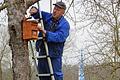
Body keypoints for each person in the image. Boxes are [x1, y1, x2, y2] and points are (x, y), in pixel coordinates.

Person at [29, 1, 70, 80]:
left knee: (56, 76)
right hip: (43, 51)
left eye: (58, 9)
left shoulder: (65, 24)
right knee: (43, 75)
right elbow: (39, 14)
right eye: (55, 8)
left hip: (54, 54)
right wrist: (35, 11)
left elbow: (60, 37)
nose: (54, 11)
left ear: (62, 12)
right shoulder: (48, 16)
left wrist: (46, 33)